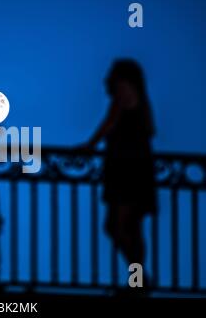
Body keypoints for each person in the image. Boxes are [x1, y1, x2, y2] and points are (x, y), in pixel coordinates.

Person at [80, 59, 157, 288]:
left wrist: (89, 146)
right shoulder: (141, 101)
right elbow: (150, 131)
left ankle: (139, 280)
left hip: (126, 171)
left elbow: (110, 124)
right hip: (137, 169)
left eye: (111, 75)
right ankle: (138, 280)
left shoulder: (123, 94)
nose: (106, 80)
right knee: (131, 227)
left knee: (117, 226)